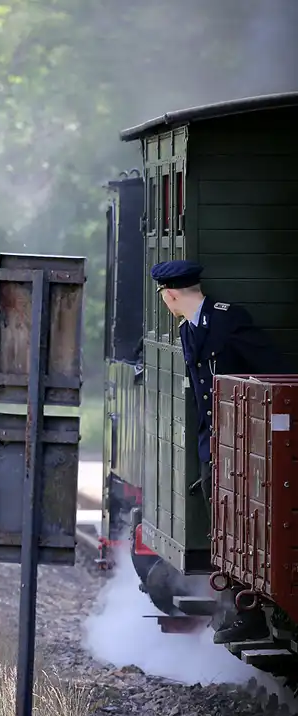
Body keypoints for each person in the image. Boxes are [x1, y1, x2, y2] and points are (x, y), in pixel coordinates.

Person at [150, 260, 287, 644]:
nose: (165, 302)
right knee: (226, 534)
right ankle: (243, 611)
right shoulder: (187, 329)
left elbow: (272, 371)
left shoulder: (228, 321)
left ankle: (253, 613)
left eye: (163, 296)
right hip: (215, 446)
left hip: (246, 448)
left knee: (249, 531)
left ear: (171, 294)